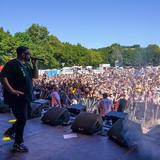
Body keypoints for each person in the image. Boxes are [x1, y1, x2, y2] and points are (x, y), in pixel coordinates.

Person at [0, 46, 38, 152]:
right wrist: (12, 90)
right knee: (22, 119)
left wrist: (35, 65)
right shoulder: (12, 64)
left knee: (27, 116)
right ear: (22, 54)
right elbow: (3, 77)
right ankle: (18, 143)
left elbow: (35, 76)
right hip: (16, 97)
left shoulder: (27, 65)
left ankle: (11, 131)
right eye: (28, 53)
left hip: (26, 97)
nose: (30, 55)